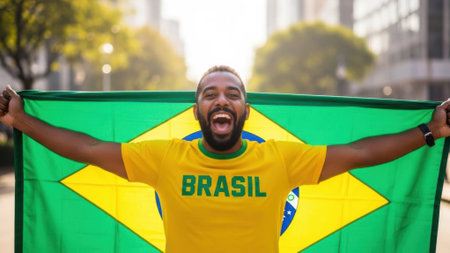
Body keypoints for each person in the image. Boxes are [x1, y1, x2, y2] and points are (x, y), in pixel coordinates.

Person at [1, 65, 449, 253]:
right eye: (210, 93)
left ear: (245, 111)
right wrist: (21, 121)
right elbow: (89, 150)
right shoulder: (165, 157)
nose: (221, 100)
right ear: (197, 109)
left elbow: (357, 154)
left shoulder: (280, 159)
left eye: (232, 94)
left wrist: (429, 130)